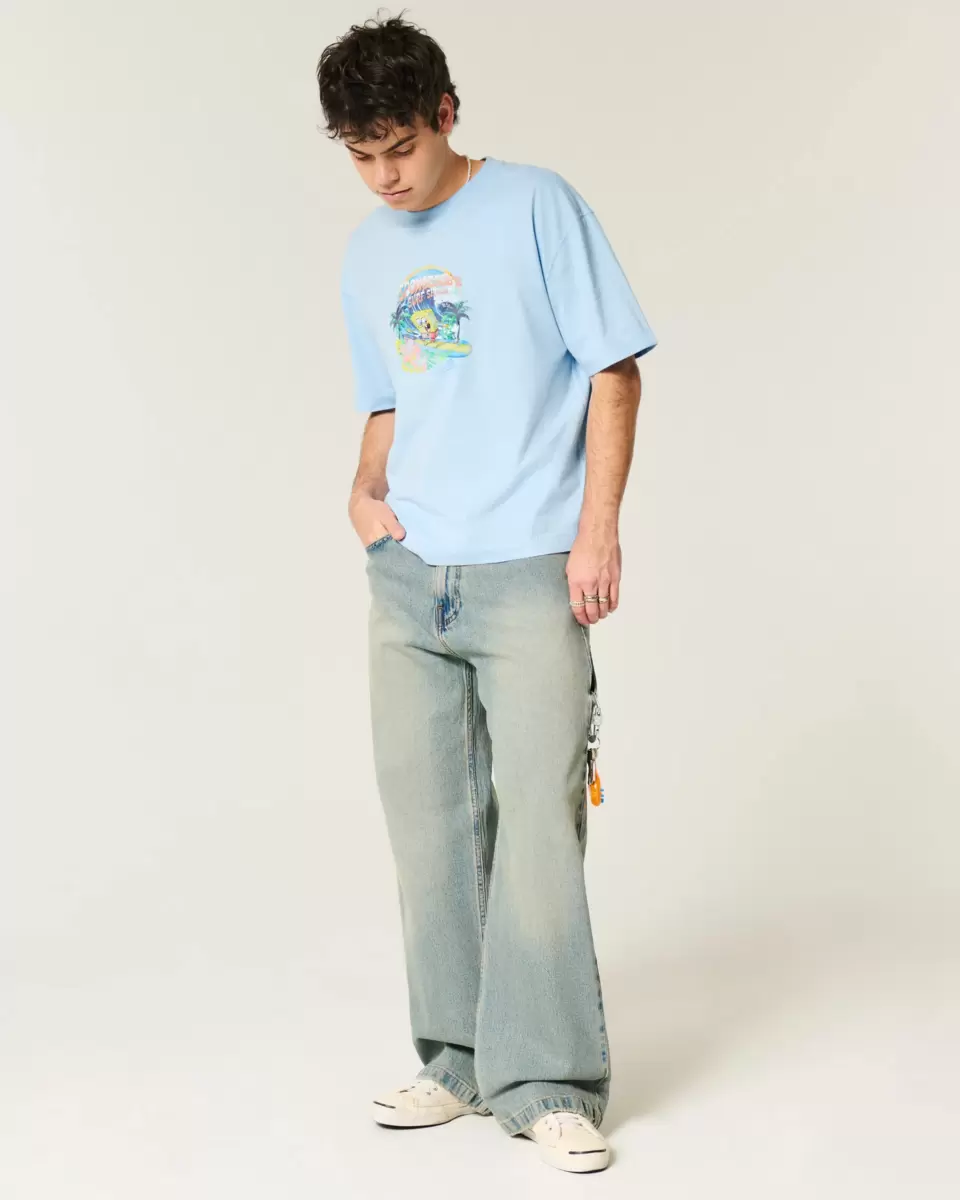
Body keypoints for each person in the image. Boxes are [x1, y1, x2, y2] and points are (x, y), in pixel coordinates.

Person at [317, 13, 656, 1175]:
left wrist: (595, 532)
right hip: (411, 575)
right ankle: (457, 1060)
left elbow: (614, 369)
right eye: (362, 155)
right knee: (430, 827)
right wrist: (363, 490)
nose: (386, 175)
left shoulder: (536, 204)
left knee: (540, 829)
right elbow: (389, 397)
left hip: (528, 567)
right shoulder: (367, 252)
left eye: (401, 146)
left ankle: (548, 1080)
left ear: (447, 114)